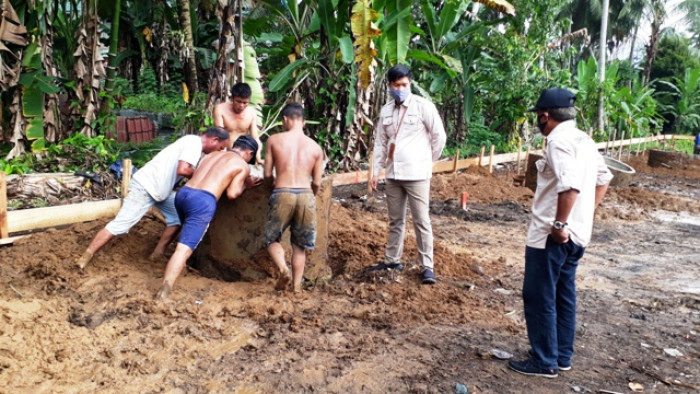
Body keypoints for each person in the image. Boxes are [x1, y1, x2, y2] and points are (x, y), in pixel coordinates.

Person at [508, 88, 613, 378]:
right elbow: (604, 179)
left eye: (539, 118)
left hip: (551, 237)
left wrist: (559, 225)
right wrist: (583, 215)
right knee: (563, 296)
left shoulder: (557, 142)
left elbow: (570, 186)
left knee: (539, 295)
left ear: (545, 116)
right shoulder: (584, 140)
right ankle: (561, 356)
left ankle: (544, 361)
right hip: (577, 235)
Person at [76, 128, 230, 269]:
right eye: (221, 147)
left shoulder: (192, 143)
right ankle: (85, 256)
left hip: (160, 190)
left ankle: (156, 254)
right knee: (120, 225)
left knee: (177, 218)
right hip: (146, 187)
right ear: (214, 140)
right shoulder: (194, 143)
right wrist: (205, 176)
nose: (219, 151)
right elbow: (183, 169)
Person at [368, 64, 446, 285]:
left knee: (422, 220)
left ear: (410, 84)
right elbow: (381, 144)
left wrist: (426, 160)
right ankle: (392, 260)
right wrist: (375, 171)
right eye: (397, 85)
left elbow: (439, 137)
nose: (401, 88)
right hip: (393, 175)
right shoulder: (386, 111)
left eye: (405, 84)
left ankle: (427, 266)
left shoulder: (423, 107)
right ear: (390, 86)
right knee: (395, 220)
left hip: (418, 174)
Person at [157, 136, 260, 299]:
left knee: (186, 235)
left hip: (183, 194)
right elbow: (232, 193)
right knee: (183, 250)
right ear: (249, 153)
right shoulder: (242, 165)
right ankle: (163, 292)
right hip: (203, 201)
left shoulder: (211, 155)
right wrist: (245, 185)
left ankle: (178, 264)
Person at [263, 103, 324, 293]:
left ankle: (283, 269)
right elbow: (317, 182)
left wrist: (270, 189)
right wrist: (309, 196)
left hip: (282, 192)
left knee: (271, 239)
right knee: (299, 246)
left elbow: (266, 175)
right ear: (304, 122)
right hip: (306, 195)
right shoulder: (315, 147)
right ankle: (297, 288)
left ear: (284, 120)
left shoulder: (274, 140)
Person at [213, 82, 263, 164]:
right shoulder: (220, 109)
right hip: (224, 153)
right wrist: (223, 156)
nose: (241, 105)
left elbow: (255, 137)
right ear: (232, 98)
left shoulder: (251, 112)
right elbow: (220, 135)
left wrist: (258, 157)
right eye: (238, 101)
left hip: (242, 156)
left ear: (249, 100)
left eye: (245, 102)